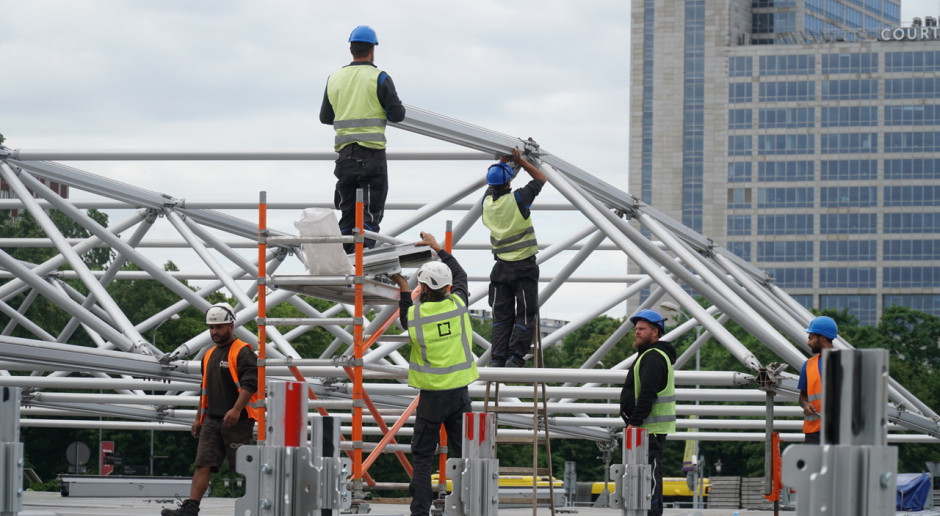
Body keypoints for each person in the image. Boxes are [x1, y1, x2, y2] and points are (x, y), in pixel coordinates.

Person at [390, 232, 479, 516]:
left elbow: (404, 316)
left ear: (423, 287)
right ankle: (467, 506)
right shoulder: (459, 305)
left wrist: (404, 286)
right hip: (459, 395)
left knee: (423, 457)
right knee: (464, 455)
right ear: (449, 288)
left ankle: (420, 511)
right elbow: (460, 274)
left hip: (430, 398)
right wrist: (438, 248)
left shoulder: (417, 317)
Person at [161, 303, 261, 516]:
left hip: (238, 419)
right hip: (212, 421)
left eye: (219, 327)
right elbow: (204, 389)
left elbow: (251, 384)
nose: (215, 332)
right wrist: (199, 418)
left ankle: (262, 504)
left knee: (245, 466)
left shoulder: (243, 352)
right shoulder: (208, 355)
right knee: (203, 463)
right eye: (212, 328)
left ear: (231, 326)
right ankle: (191, 508)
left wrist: (235, 410)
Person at [320, 25, 406, 253]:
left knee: (348, 215)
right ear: (372, 50)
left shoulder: (334, 78)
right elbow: (398, 114)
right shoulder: (379, 78)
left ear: (351, 50)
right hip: (371, 155)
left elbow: (325, 117)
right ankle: (362, 263)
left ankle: (346, 267)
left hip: (345, 156)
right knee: (368, 215)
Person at [481, 147, 547, 367]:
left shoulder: (487, 204)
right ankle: (515, 358)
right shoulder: (518, 199)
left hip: (500, 269)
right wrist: (521, 162)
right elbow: (541, 178)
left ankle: (497, 360)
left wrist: (503, 165)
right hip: (523, 268)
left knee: (501, 316)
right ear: (509, 182)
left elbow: (492, 187)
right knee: (526, 313)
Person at [619, 309, 676, 516]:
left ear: (655, 332)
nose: (637, 332)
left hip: (647, 430)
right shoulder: (650, 356)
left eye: (642, 329)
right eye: (636, 329)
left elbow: (647, 393)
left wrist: (634, 422)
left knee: (649, 477)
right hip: (645, 430)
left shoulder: (653, 357)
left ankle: (651, 513)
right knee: (644, 477)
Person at [798, 315, 838, 445]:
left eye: (811, 338)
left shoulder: (847, 363)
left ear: (822, 337)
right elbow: (802, 397)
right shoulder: (808, 365)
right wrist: (805, 405)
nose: (808, 342)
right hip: (814, 432)